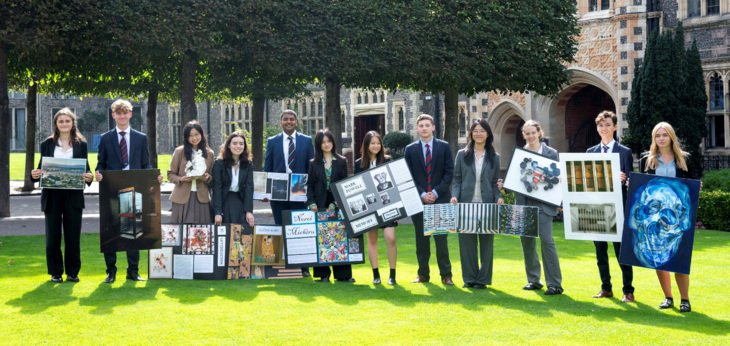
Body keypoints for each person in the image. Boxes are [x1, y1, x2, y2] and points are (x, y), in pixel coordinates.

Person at [96, 99, 162, 283]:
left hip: (135, 190)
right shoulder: (105, 138)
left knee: (133, 231)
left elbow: (146, 163)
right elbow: (100, 164)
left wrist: (153, 176)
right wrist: (98, 173)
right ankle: (111, 271)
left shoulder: (141, 138)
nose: (122, 116)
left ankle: (133, 271)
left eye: (125, 113)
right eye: (119, 113)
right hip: (112, 191)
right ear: (113, 115)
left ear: (131, 114)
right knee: (111, 231)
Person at [31, 108, 93, 283]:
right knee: (53, 237)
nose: (64, 124)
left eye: (67, 121)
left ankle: (73, 273)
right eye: (61, 121)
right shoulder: (47, 144)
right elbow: (40, 169)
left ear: (73, 123)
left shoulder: (82, 144)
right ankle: (55, 272)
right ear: (56, 124)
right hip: (52, 196)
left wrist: (89, 177)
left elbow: (86, 169)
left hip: (73, 197)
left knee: (73, 237)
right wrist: (34, 174)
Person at [639, 122, 696, 313]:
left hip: (677, 216)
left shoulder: (684, 159)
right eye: (658, 135)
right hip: (655, 218)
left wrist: (698, 187)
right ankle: (668, 297)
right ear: (654, 139)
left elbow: (692, 185)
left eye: (664, 135)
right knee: (659, 258)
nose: (661, 138)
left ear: (671, 136)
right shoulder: (646, 160)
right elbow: (642, 188)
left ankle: (685, 299)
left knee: (680, 259)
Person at [586, 111, 635, 302]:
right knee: (600, 252)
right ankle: (606, 288)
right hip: (597, 208)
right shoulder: (590, 152)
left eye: (607, 124)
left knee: (621, 252)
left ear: (614, 127)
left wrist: (625, 179)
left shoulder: (625, 152)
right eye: (600, 125)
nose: (603, 128)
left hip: (618, 209)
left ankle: (628, 290)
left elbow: (632, 182)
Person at [450, 119, 503, 289]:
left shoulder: (494, 157)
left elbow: (495, 182)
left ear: (488, 134)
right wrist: (454, 196)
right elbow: (457, 180)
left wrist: (499, 197)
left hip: (487, 205)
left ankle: (483, 280)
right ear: (471, 134)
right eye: (475, 131)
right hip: (466, 204)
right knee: (466, 244)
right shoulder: (462, 154)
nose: (478, 134)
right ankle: (469, 278)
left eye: (482, 131)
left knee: (487, 244)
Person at [404, 114, 454, 286]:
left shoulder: (444, 147)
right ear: (417, 128)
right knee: (422, 241)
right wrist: (422, 194)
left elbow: (449, 173)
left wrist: (435, 192)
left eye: (427, 125)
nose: (424, 128)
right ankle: (423, 274)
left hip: (440, 200)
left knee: (441, 241)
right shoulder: (410, 150)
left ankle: (446, 275)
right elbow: (407, 176)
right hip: (418, 201)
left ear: (433, 127)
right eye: (421, 125)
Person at [264, 109, 314, 277]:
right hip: (278, 189)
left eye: (292, 119)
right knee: (280, 226)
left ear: (296, 122)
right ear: (281, 122)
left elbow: (311, 168)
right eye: (285, 119)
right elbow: (267, 168)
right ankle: (283, 264)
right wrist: (266, 191)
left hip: (299, 187)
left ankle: (303, 266)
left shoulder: (307, 141)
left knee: (299, 227)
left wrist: (310, 191)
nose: (289, 122)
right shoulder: (272, 141)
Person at [518, 120, 564, 295]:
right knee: (527, 242)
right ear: (524, 135)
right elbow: (516, 180)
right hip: (525, 204)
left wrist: (559, 202)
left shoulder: (551, 153)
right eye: (527, 133)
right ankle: (534, 280)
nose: (530, 136)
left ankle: (554, 283)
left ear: (539, 133)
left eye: (532, 132)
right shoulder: (520, 154)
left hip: (544, 205)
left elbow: (558, 179)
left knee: (547, 242)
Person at [306, 129, 353, 282]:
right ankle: (323, 274)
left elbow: (344, 184)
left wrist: (337, 202)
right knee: (321, 238)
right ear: (319, 145)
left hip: (337, 203)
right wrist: (311, 202)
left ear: (333, 142)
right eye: (323, 142)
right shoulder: (313, 163)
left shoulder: (341, 161)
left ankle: (343, 275)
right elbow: (310, 186)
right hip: (318, 205)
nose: (326, 145)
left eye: (329, 141)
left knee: (339, 238)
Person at [355, 130, 398, 285]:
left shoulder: (388, 160)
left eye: (378, 143)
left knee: (390, 238)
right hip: (369, 208)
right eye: (372, 143)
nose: (375, 146)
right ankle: (376, 274)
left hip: (387, 205)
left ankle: (392, 274)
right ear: (366, 145)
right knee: (372, 240)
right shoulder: (359, 164)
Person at [168, 120, 215, 224]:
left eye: (196, 134)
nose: (194, 138)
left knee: (201, 233)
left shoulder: (210, 153)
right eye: (190, 136)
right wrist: (180, 179)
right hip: (182, 198)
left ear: (201, 134)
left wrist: (207, 178)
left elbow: (212, 178)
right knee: (180, 232)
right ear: (186, 137)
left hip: (202, 198)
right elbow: (170, 174)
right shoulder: (180, 151)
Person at [212, 132, 255, 228]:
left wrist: (249, 211)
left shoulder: (248, 165)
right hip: (223, 201)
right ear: (228, 146)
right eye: (234, 143)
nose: (238, 146)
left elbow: (249, 188)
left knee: (240, 234)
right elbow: (216, 188)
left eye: (241, 143)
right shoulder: (219, 164)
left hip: (240, 201)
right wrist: (217, 212)